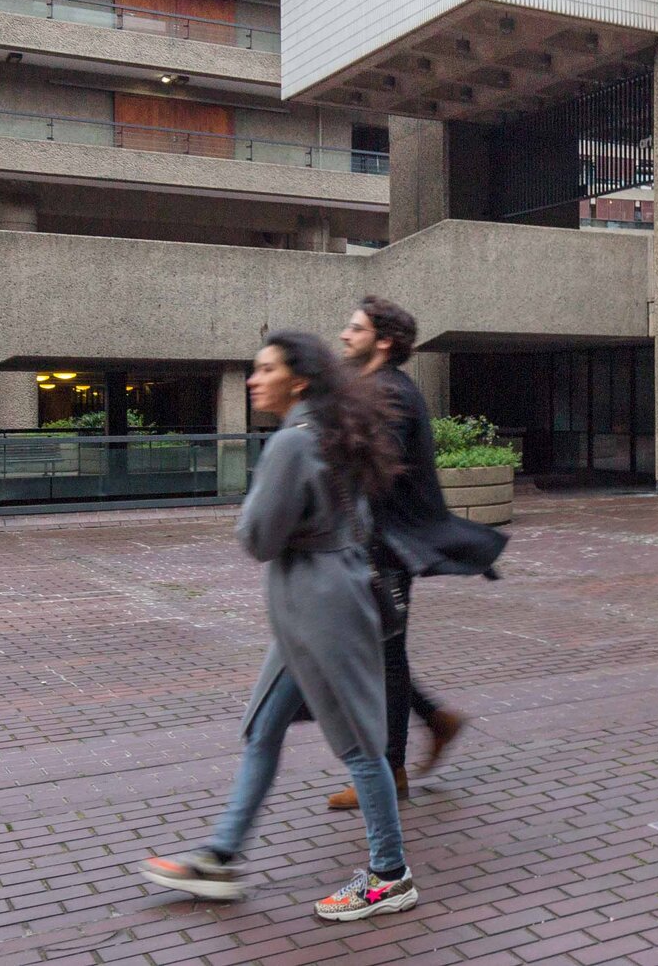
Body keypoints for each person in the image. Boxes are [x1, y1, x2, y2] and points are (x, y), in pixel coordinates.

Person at [139, 330, 419, 923]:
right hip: (318, 603)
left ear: (297, 380)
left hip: (319, 609)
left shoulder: (292, 443)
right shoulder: (333, 429)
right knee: (265, 727)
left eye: (265, 369)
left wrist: (260, 508)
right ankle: (221, 854)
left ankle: (390, 874)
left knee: (359, 744)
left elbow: (258, 538)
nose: (253, 379)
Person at [325, 296, 505, 812]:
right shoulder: (381, 388)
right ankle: (433, 724)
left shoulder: (391, 393)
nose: (343, 335)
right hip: (379, 542)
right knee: (385, 653)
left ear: (383, 341)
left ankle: (390, 771)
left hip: (388, 545)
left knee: (382, 656)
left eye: (354, 329)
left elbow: (372, 468)